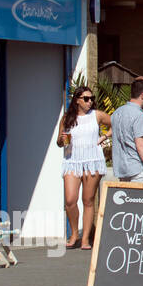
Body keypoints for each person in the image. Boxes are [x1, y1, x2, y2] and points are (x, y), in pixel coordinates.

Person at [58, 85, 112, 249]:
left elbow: (116, 124)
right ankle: (74, 233)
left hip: (92, 160)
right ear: (77, 100)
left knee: (88, 200)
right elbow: (59, 143)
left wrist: (104, 137)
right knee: (70, 200)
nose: (90, 102)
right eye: (86, 99)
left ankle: (85, 238)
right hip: (72, 160)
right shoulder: (67, 118)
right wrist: (62, 138)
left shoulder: (97, 115)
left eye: (92, 98)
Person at [111, 78, 143, 185]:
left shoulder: (117, 112)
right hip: (137, 168)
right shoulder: (139, 115)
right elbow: (140, 145)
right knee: (141, 200)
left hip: (122, 168)